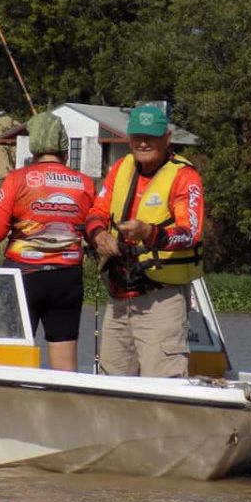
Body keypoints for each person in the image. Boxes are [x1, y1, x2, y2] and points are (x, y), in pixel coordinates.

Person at [85, 105, 205, 378]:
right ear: (128, 138)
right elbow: (96, 212)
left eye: (151, 136)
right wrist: (99, 235)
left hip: (160, 298)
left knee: (163, 381)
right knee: (111, 380)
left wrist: (149, 232)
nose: (143, 143)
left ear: (167, 137)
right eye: (138, 136)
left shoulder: (185, 177)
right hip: (118, 294)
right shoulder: (120, 169)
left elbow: (191, 232)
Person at [0, 111, 95, 372]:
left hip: (22, 276)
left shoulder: (17, 179)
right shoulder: (85, 183)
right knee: (65, 365)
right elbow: (94, 231)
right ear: (65, 147)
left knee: (13, 360)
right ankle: (65, 409)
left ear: (34, 146)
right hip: (67, 278)